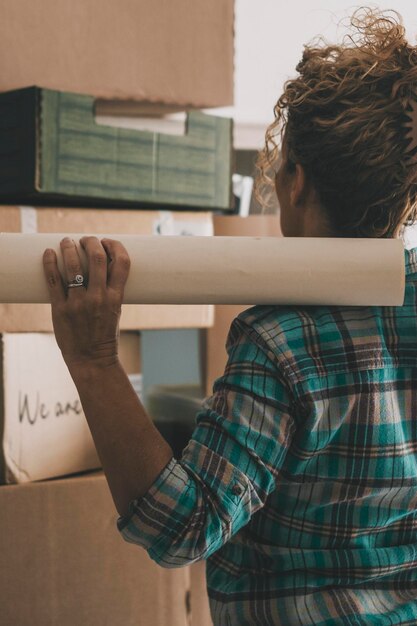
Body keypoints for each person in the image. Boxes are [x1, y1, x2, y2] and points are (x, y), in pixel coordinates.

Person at [43, 8, 417, 625]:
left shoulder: (283, 341)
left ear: (295, 181)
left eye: (281, 164)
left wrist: (94, 359)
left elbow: (181, 525)